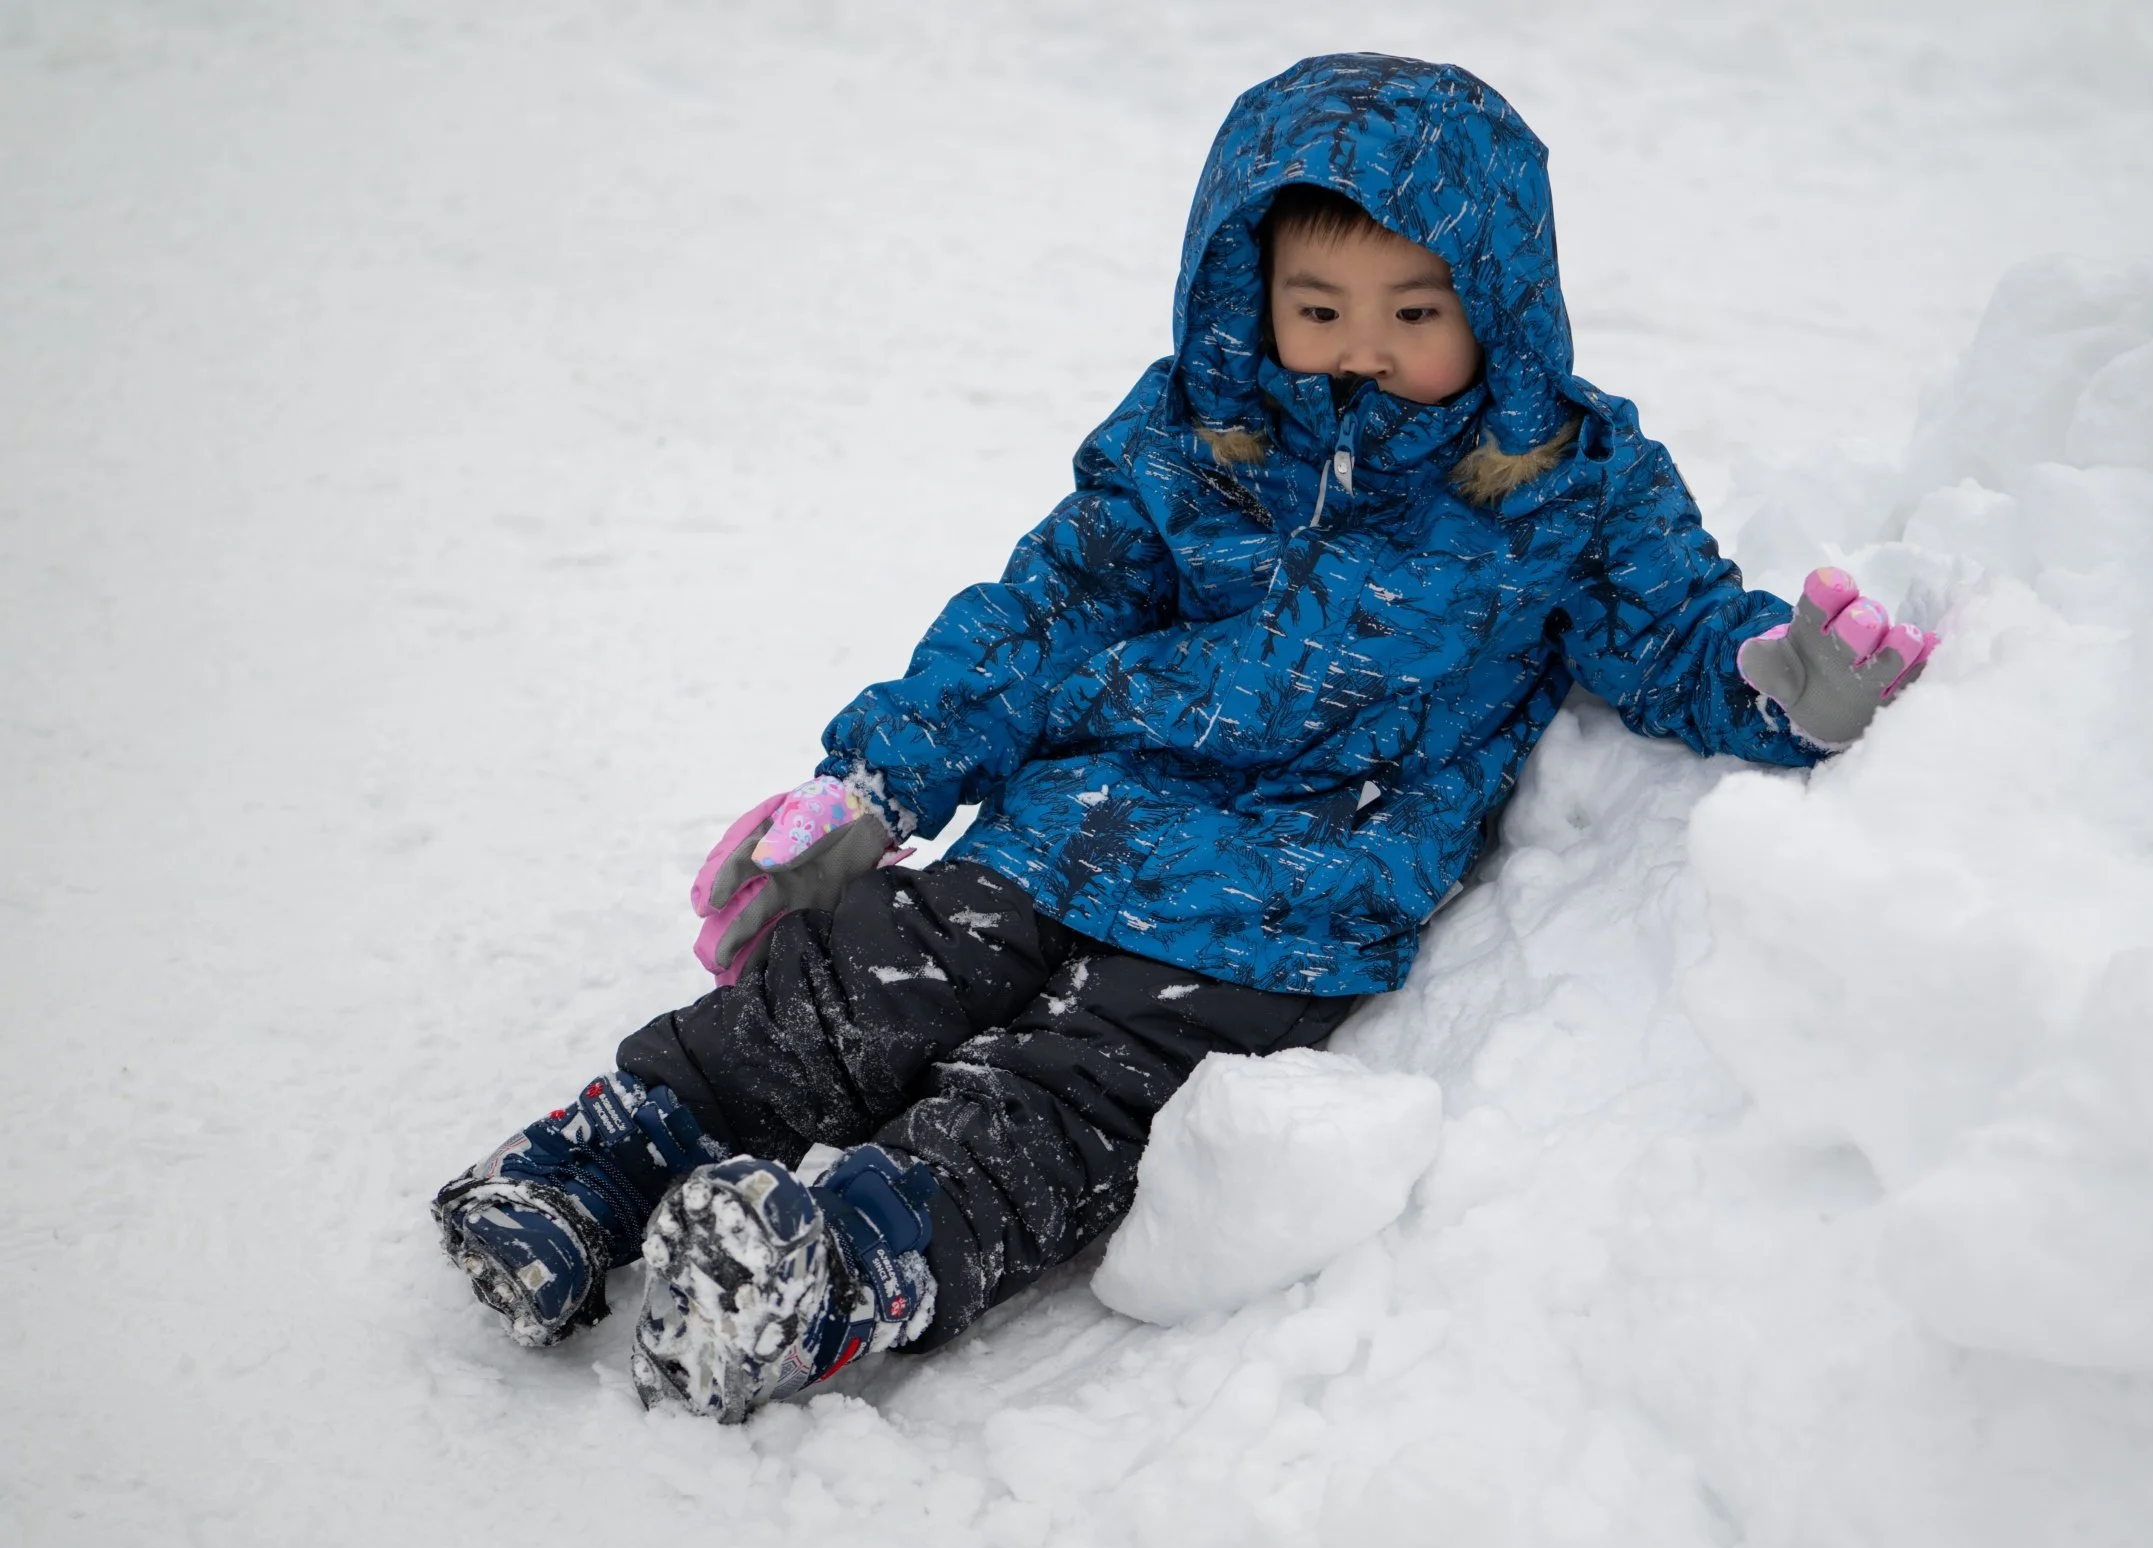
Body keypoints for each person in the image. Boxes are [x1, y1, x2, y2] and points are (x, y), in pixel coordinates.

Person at [431, 53, 1935, 1424]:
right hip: (1073, 821)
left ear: (1500, 303)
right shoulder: (1194, 443)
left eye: (1414, 313)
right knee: (866, 977)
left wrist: (1778, 682)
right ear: (1248, 291)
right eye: (1318, 310)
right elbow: (1043, 615)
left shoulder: (1565, 487)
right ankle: (601, 1157)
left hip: (1288, 899)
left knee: (1067, 1100)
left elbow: (1669, 631)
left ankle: (830, 1273)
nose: (1358, 352)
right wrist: (878, 786)